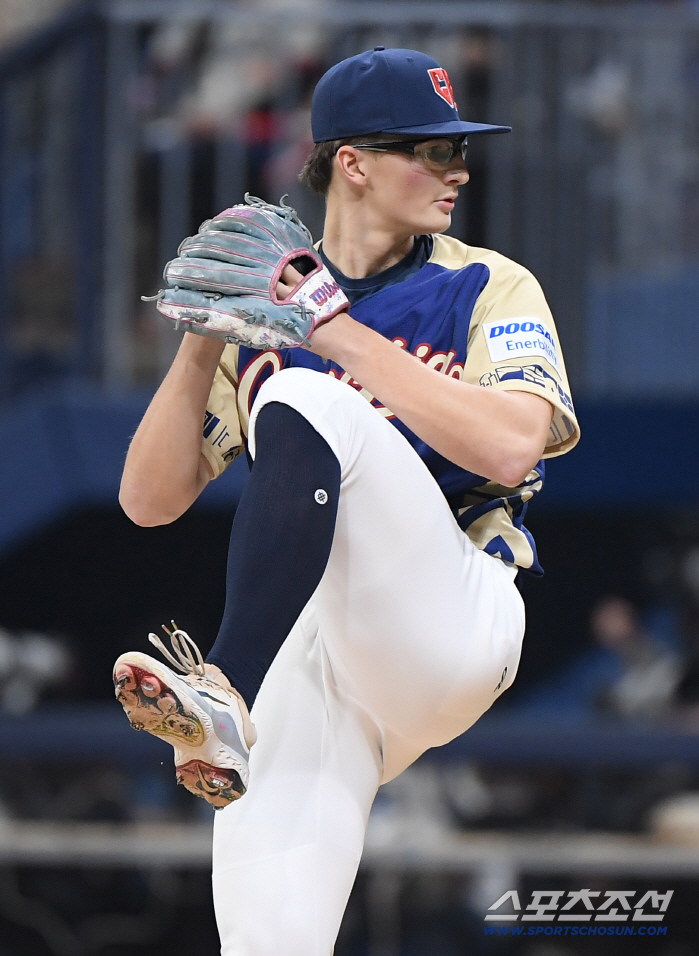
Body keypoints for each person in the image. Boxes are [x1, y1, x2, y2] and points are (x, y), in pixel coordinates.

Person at [114, 47, 579, 956]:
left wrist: (333, 334)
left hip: (453, 614)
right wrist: (204, 340)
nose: (457, 169)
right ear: (352, 162)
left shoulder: (486, 282)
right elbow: (148, 501)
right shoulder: (271, 311)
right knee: (265, 940)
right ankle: (232, 706)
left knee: (304, 396)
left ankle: (224, 687)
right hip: (324, 660)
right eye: (429, 149)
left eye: (458, 151)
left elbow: (511, 443)